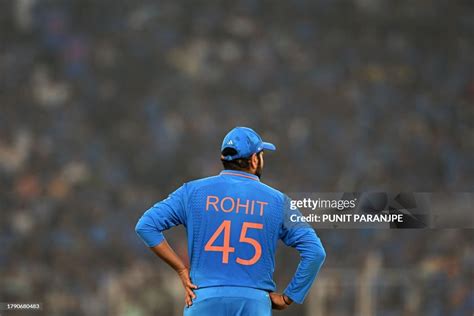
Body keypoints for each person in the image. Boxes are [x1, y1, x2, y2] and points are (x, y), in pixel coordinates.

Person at [135, 127, 326, 315]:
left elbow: (146, 226)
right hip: (254, 302)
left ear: (223, 159)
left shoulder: (192, 192)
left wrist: (181, 269)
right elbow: (315, 252)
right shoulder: (278, 202)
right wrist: (289, 296)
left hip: (204, 297)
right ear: (254, 160)